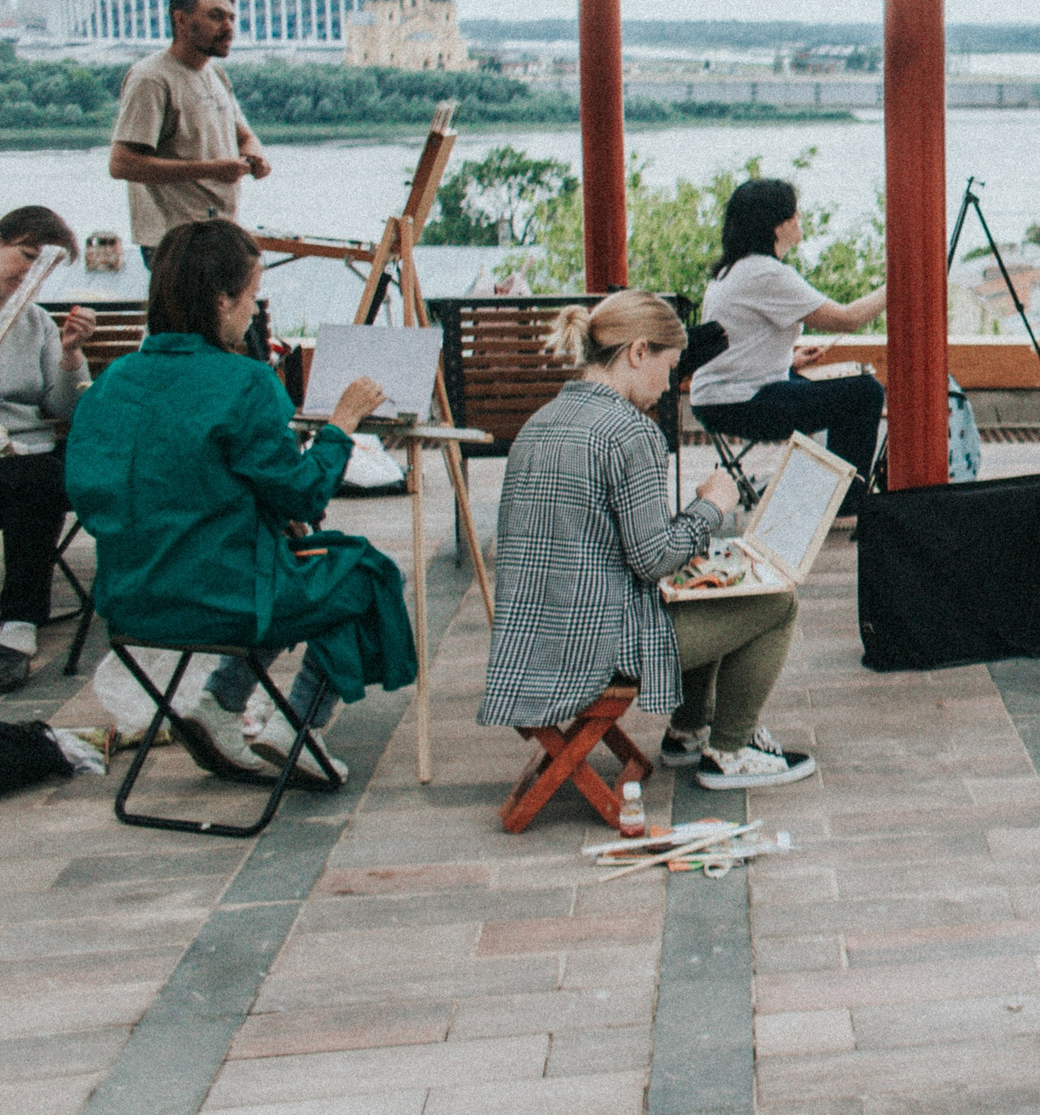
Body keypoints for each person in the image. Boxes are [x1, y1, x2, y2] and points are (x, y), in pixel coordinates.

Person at [66, 219, 413, 786]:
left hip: (130, 601)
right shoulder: (245, 381)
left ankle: (221, 707)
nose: (254, 311)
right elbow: (304, 494)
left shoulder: (111, 383)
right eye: (252, 295)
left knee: (318, 566)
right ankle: (297, 727)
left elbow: (96, 491)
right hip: (219, 599)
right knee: (368, 575)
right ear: (222, 299)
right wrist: (342, 426)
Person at [479, 292, 815, 789]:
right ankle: (731, 750)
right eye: (670, 368)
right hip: (596, 648)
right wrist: (713, 505)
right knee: (776, 603)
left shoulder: (539, 422)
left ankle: (689, 730)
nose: (669, 386)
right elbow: (655, 558)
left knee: (709, 587)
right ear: (638, 352)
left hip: (531, 644)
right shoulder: (631, 432)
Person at [688, 180, 886, 512]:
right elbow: (848, 319)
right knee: (864, 392)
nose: (799, 217)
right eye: (794, 212)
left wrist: (790, 360)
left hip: (718, 397)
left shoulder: (732, 269)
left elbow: (735, 345)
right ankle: (845, 504)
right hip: (741, 402)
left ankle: (829, 492)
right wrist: (896, 284)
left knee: (837, 386)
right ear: (777, 225)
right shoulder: (765, 273)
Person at [107, 0, 271, 264]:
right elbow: (122, 164)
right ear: (181, 20)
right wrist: (212, 170)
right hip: (176, 242)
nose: (229, 28)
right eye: (216, 16)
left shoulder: (214, 74)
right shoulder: (151, 79)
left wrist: (255, 155)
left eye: (231, 18)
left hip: (220, 233)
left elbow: (244, 135)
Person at [0, 208, 94, 694]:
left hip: (24, 457)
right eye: (26, 255)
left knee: (36, 478)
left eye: (46, 265)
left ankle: (18, 622)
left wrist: (71, 354)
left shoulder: (35, 322)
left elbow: (66, 409)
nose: (31, 272)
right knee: (30, 479)